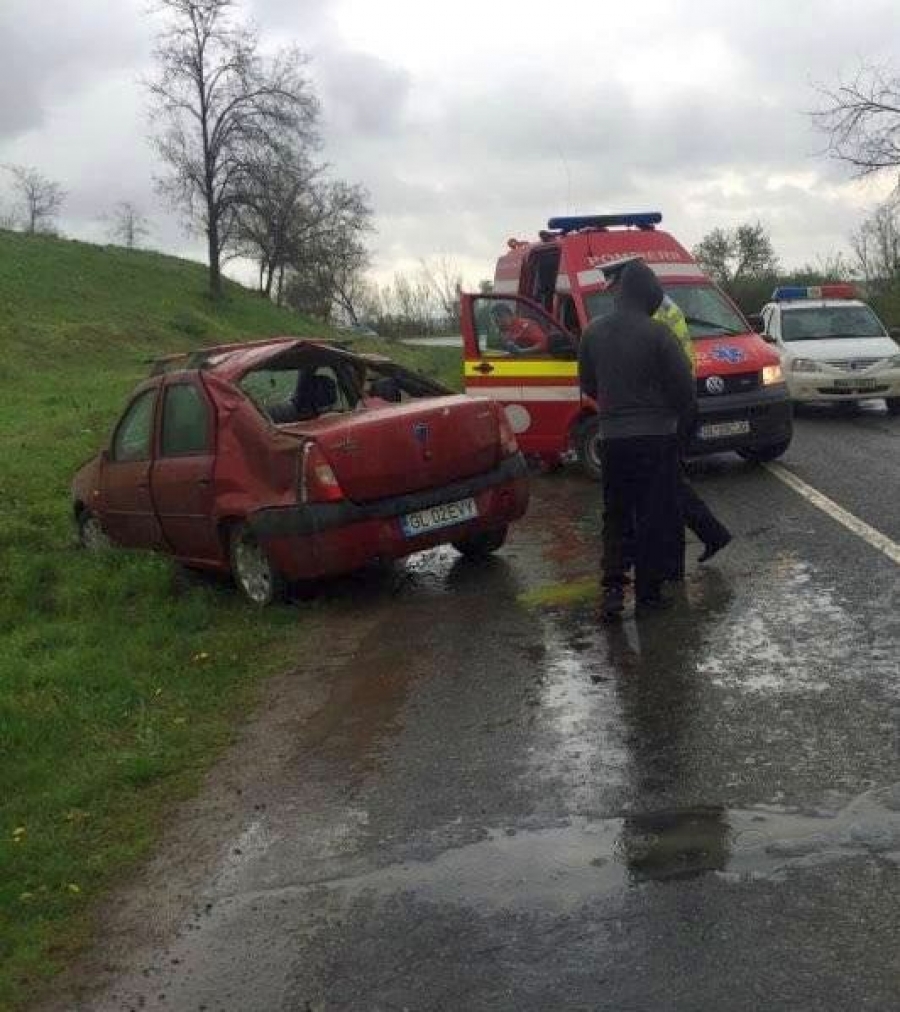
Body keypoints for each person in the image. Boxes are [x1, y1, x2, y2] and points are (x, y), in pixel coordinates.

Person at [578, 260, 695, 617]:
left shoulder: (593, 332)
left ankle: (613, 592)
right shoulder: (659, 334)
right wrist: (674, 420)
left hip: (612, 439)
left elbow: (587, 384)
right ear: (649, 295)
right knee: (651, 515)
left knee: (615, 514)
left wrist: (615, 408)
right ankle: (648, 596)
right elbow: (684, 389)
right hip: (656, 438)